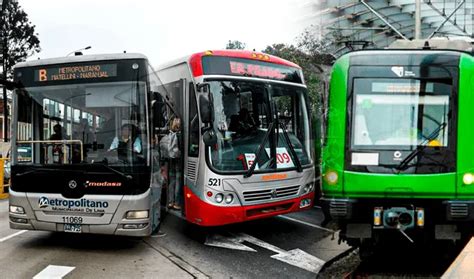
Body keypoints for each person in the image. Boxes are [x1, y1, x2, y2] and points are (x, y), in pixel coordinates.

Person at [167, 117, 182, 210]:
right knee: (178, 181)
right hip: (178, 159)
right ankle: (176, 203)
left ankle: (170, 202)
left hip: (170, 158)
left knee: (171, 181)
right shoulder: (179, 135)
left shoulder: (169, 134)